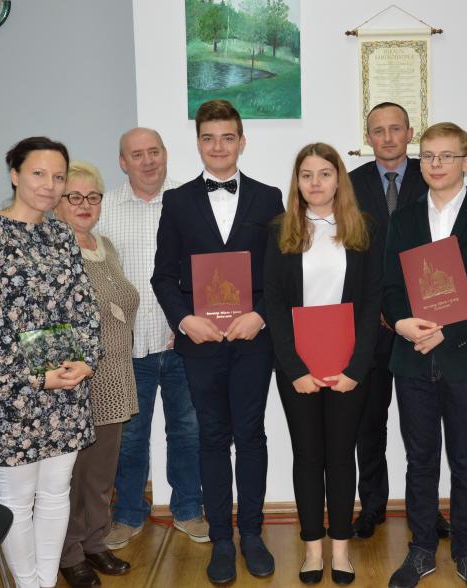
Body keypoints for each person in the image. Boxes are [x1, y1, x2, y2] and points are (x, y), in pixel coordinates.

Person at [152, 99, 284, 584]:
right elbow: (163, 276)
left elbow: (281, 273)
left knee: (250, 435)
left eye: (228, 137)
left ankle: (252, 533)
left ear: (242, 141)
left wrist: (261, 316)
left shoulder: (269, 198)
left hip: (253, 341)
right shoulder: (177, 201)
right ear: (198, 143)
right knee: (211, 437)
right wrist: (186, 320)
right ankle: (222, 540)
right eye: (209, 138)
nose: (219, 146)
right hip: (201, 343)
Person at [0, 137, 102, 588]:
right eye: (38, 173)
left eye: (58, 176)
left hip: (68, 385)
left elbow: (84, 308)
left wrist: (87, 361)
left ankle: (45, 581)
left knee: (56, 494)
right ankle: (29, 584)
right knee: (18, 500)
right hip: (14, 393)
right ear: (15, 174)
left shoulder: (61, 235)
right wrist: (37, 377)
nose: (49, 184)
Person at [383, 123, 467, 588]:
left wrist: (448, 333)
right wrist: (401, 323)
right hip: (412, 358)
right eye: (429, 156)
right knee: (419, 461)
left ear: (466, 162)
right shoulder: (404, 219)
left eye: (447, 156)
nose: (436, 164)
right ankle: (420, 550)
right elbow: (389, 288)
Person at [265, 143, 382, 585]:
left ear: (339, 180)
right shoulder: (280, 230)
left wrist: (356, 368)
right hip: (298, 368)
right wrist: (295, 369)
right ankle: (313, 548)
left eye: (325, 174)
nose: (315, 183)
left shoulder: (362, 228)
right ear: (296, 182)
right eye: (306, 175)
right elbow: (275, 304)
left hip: (349, 366)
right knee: (308, 456)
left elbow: (370, 303)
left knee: (341, 456)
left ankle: (341, 550)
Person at [98, 127, 207, 548]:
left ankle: (189, 510)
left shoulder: (189, 201)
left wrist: (194, 321)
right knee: (129, 440)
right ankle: (127, 514)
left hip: (182, 342)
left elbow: (207, 268)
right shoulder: (104, 209)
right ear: (123, 162)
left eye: (154, 152)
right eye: (137, 154)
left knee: (188, 432)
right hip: (127, 349)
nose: (148, 161)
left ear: (165, 154)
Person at [349, 103, 451, 540]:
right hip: (368, 325)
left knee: (422, 429)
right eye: (378, 130)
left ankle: (426, 511)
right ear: (368, 136)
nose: (388, 137)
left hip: (421, 324)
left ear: (411, 133)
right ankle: (372, 506)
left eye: (396, 129)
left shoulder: (432, 178)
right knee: (368, 425)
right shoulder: (350, 185)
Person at [55, 161, 139, 587]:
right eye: (74, 196)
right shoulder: (54, 249)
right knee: (72, 476)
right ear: (57, 202)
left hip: (115, 376)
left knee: (101, 473)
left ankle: (94, 541)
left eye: (93, 196)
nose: (84, 204)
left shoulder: (105, 245)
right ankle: (68, 552)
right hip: (77, 383)